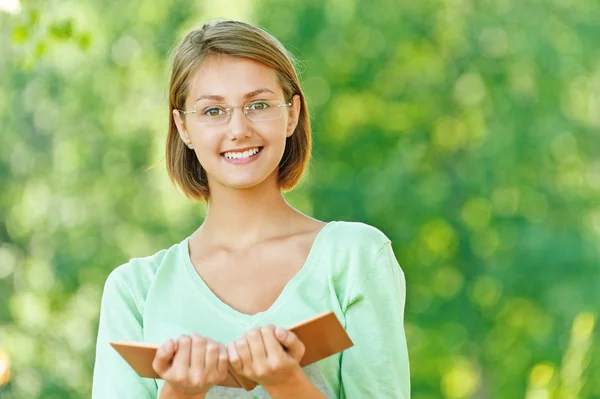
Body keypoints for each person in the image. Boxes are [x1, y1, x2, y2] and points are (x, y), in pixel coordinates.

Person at [92, 19, 410, 399]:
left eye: (258, 105)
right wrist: (181, 392)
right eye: (213, 111)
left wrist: (289, 384)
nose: (239, 129)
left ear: (292, 114)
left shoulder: (355, 259)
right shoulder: (135, 292)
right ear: (183, 127)